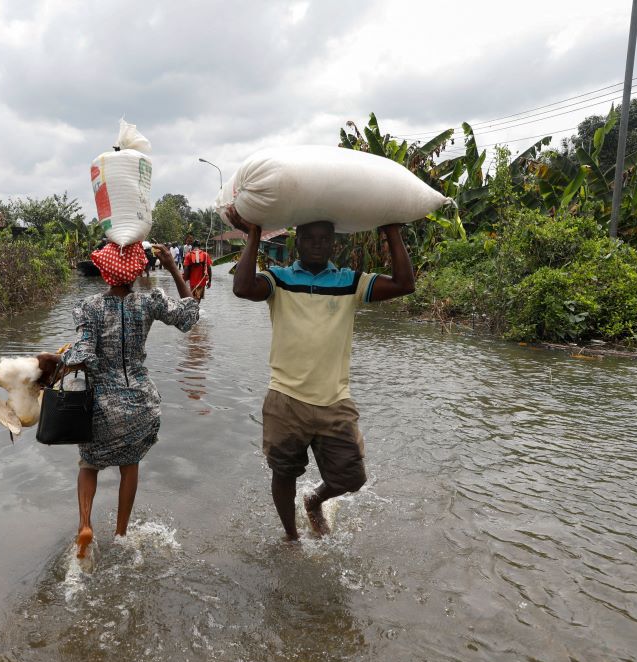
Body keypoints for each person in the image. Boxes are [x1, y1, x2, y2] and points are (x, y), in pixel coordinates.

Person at [226, 205, 415, 541]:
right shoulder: (279, 279)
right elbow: (242, 288)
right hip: (286, 397)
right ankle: (291, 537)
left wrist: (391, 230)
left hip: (334, 400)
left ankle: (315, 499)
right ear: (298, 244)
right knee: (284, 472)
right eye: (309, 238)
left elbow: (404, 284)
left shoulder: (349, 282)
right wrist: (253, 234)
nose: (317, 244)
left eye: (324, 239)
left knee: (352, 478)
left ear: (334, 245)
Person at [39, 242, 198, 558]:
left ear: (103, 271)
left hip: (102, 407)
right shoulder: (150, 302)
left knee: (88, 465)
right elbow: (189, 315)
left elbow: (83, 353)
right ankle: (122, 533)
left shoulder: (90, 307)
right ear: (139, 270)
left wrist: (56, 364)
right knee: (130, 464)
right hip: (141, 404)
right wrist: (173, 268)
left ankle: (85, 525)